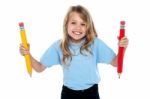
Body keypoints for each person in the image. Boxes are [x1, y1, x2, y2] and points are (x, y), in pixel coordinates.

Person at [19, 5, 129, 99]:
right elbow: (39, 68)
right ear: (66, 24)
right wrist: (27, 54)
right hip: (69, 94)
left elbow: (115, 63)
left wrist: (122, 48)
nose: (78, 27)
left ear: (88, 27)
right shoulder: (59, 46)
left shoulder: (95, 43)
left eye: (83, 24)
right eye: (73, 23)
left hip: (91, 93)